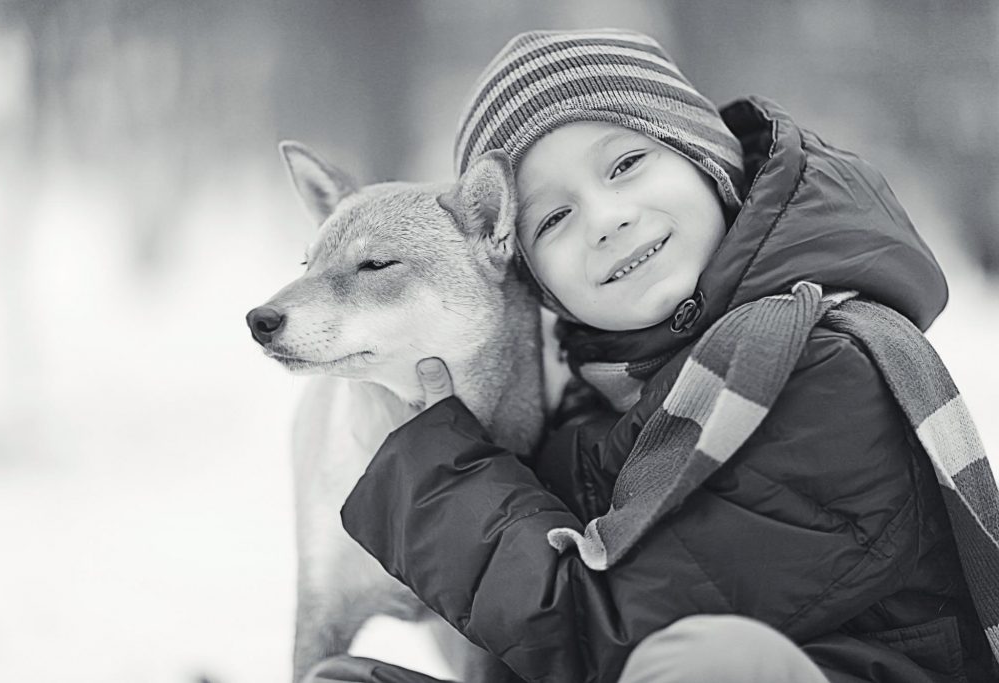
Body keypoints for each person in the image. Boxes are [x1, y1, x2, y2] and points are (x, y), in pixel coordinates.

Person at [310, 29, 999, 683]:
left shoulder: (821, 371)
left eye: (626, 164)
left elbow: (606, 637)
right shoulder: (603, 394)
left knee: (714, 661)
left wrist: (438, 467)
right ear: (536, 284)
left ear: (707, 159)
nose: (606, 218)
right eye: (554, 219)